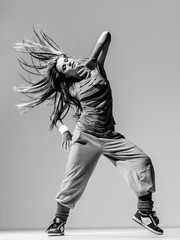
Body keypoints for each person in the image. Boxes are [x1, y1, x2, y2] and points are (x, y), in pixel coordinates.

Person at [14, 28, 163, 236]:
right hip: (86, 137)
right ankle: (58, 221)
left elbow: (107, 35)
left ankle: (144, 213)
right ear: (66, 75)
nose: (69, 63)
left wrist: (93, 59)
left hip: (110, 136)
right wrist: (65, 132)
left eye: (66, 59)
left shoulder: (96, 68)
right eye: (64, 66)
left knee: (142, 161)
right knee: (73, 179)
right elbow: (55, 117)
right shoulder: (72, 89)